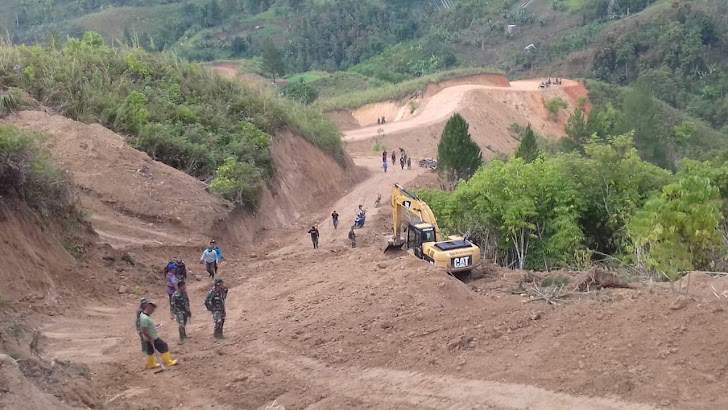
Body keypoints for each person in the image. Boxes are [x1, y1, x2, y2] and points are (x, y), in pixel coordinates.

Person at [138, 301, 178, 369]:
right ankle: (168, 362)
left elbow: (146, 327)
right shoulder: (145, 318)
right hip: (152, 337)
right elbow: (144, 330)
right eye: (152, 310)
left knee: (150, 351)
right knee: (164, 345)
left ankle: (151, 364)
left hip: (149, 337)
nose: (153, 312)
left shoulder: (143, 315)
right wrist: (149, 337)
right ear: (149, 308)